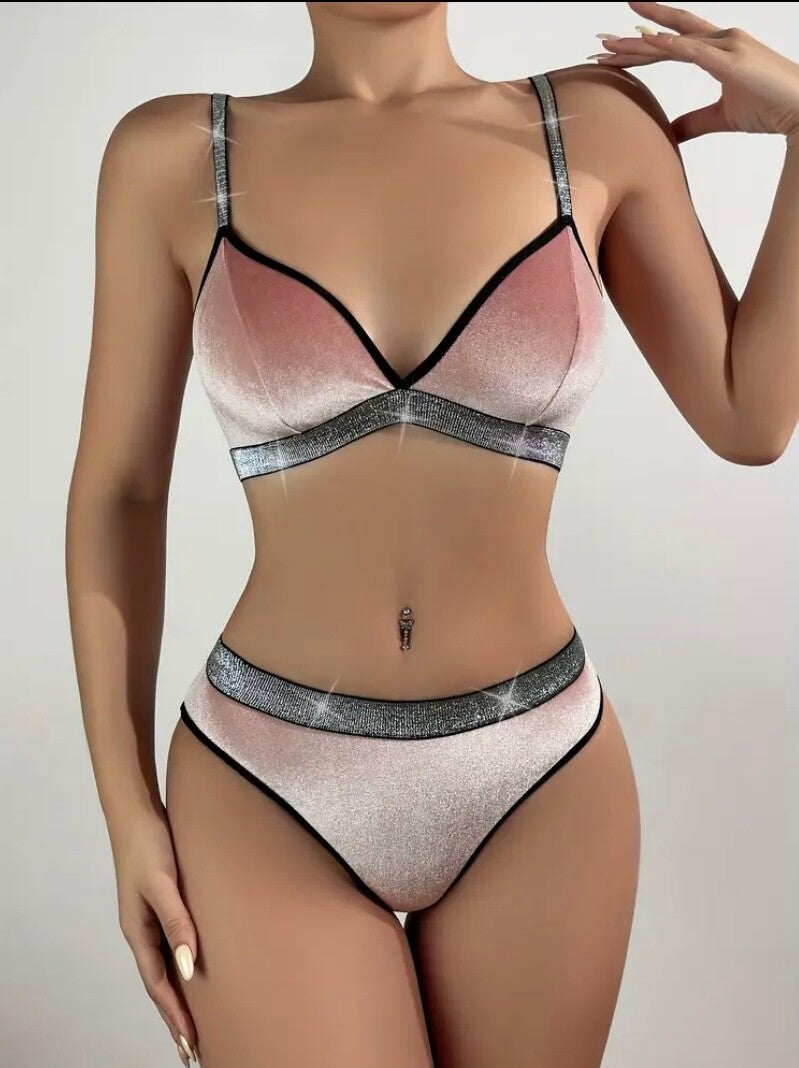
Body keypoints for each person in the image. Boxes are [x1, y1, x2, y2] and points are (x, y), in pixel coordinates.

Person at [65, 2, 799, 1065]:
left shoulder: (594, 126)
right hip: (266, 779)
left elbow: (749, 416)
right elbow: (121, 494)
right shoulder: (172, 155)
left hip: (540, 772)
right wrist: (124, 808)